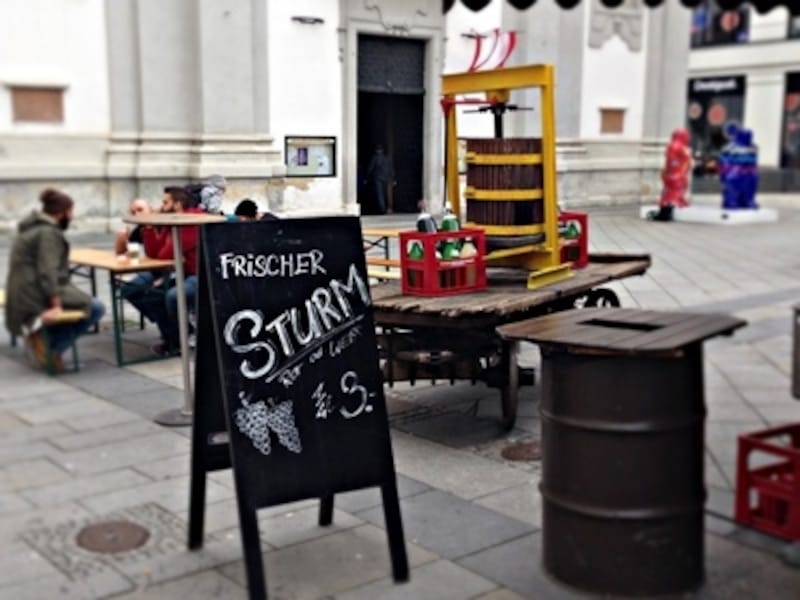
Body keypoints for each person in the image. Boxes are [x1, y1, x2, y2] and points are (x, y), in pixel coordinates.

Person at [5, 189, 105, 371]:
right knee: (95, 308)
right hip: (33, 293)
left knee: (79, 299)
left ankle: (44, 338)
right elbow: (48, 272)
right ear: (61, 213)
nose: (72, 216)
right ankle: (50, 346)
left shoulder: (33, 227)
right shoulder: (48, 233)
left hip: (23, 289)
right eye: (71, 211)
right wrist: (56, 304)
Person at [122, 186, 203, 355]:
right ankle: (174, 336)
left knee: (172, 296)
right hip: (176, 272)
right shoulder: (171, 221)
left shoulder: (190, 221)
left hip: (200, 275)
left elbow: (165, 254)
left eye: (165, 202)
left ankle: (182, 335)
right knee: (141, 291)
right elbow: (155, 254)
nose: (162, 206)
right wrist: (150, 228)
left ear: (178, 204)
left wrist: (155, 222)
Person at [365, 145, 394, 214]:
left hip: (378, 178)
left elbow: (370, 168)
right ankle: (387, 208)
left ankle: (382, 209)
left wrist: (366, 177)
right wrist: (393, 178)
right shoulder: (387, 158)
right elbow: (391, 169)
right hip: (386, 178)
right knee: (384, 193)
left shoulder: (375, 158)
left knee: (379, 194)